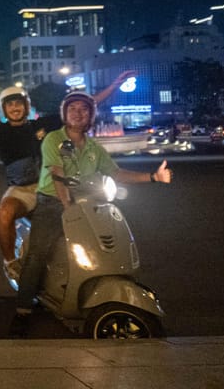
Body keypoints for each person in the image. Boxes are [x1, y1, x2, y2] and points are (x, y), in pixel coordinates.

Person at [0, 70, 135, 281]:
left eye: (19, 103)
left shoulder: (43, 125)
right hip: (21, 188)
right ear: (4, 108)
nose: (15, 107)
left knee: (84, 219)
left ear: (26, 106)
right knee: (5, 212)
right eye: (10, 104)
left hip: (52, 186)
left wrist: (114, 86)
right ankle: (11, 263)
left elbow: (86, 104)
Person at [9, 90, 172, 337]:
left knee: (106, 243)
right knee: (38, 255)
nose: (78, 113)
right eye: (72, 108)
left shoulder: (95, 147)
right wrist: (66, 204)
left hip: (88, 202)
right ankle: (23, 312)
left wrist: (152, 177)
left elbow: (115, 173)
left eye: (84, 109)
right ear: (65, 114)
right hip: (53, 202)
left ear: (91, 116)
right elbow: (57, 174)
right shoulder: (54, 139)